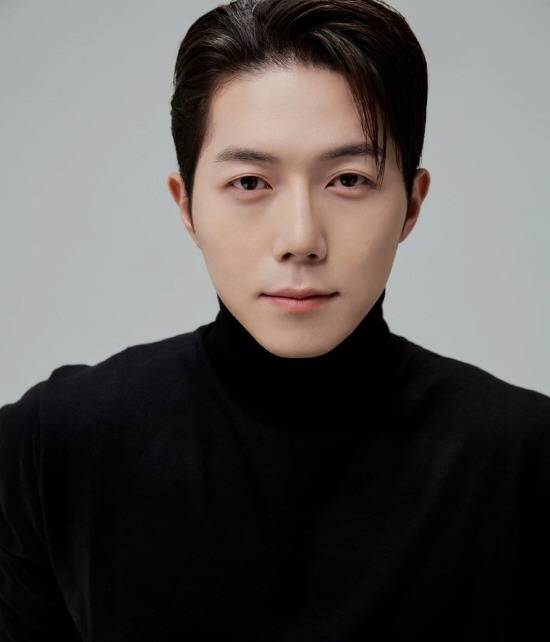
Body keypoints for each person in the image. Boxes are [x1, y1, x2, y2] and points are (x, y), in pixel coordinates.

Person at [1, 0, 548, 639]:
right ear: (186, 205)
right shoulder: (54, 446)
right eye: (250, 183)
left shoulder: (526, 459)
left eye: (348, 179)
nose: (301, 239)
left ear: (412, 204)